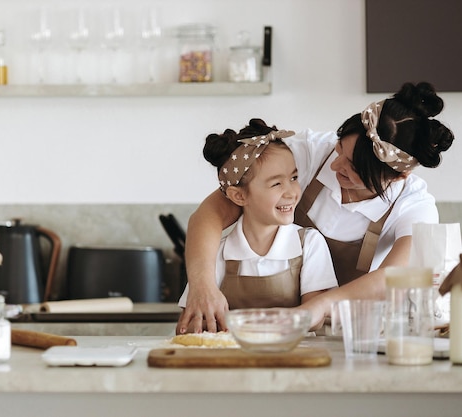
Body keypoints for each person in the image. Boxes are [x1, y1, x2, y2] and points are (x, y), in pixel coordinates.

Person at [177, 81, 455, 334]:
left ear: (398, 176)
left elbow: (396, 276)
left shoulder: (414, 205)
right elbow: (211, 213)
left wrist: (318, 306)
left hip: (354, 334)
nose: (335, 166)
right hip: (288, 331)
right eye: (339, 151)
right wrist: (202, 285)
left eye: (353, 168)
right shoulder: (307, 153)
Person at [176, 119, 338, 332]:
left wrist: (244, 323)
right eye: (276, 183)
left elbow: (314, 318)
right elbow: (194, 320)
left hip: (295, 360)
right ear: (239, 196)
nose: (291, 192)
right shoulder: (217, 252)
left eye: (294, 177)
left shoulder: (309, 244)